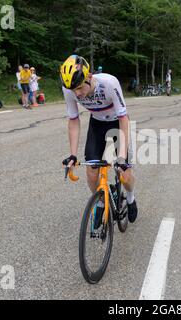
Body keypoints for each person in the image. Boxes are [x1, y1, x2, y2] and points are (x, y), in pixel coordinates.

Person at [60, 54, 138, 224]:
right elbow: (73, 120)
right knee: (92, 173)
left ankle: (131, 198)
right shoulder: (69, 89)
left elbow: (124, 119)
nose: (78, 94)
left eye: (80, 88)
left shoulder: (109, 83)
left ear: (89, 77)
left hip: (117, 123)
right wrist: (73, 155)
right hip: (97, 123)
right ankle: (101, 201)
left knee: (125, 174)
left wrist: (122, 157)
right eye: (74, 90)